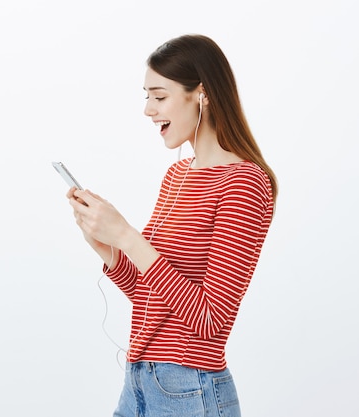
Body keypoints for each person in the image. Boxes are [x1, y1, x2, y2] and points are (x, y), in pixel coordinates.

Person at [66, 34, 277, 417]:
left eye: (159, 96)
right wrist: (109, 247)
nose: (148, 109)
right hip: (139, 381)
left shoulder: (244, 183)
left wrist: (129, 237)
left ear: (203, 94)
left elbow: (210, 321)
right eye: (146, 96)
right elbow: (153, 298)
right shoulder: (177, 175)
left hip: (190, 389)